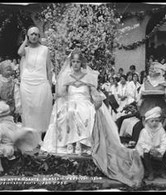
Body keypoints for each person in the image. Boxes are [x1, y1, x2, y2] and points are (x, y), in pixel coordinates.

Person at [41, 50, 144, 187]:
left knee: (84, 111)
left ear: (81, 63)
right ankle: (71, 142)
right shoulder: (66, 77)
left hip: (84, 102)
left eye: (78, 61)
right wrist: (62, 87)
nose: (76, 64)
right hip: (70, 102)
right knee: (69, 111)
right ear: (70, 63)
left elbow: (94, 93)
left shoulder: (88, 76)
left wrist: (97, 99)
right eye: (73, 62)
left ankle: (81, 143)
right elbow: (61, 94)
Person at [0, 101, 40, 177]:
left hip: (6, 148)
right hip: (12, 147)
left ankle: (0, 168)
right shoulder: (11, 123)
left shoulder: (0, 127)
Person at [17, 26, 53, 135]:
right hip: (27, 83)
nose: (34, 36)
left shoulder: (45, 50)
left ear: (39, 36)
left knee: (40, 108)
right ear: (28, 36)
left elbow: (49, 69)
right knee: (29, 110)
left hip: (41, 82)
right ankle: (30, 133)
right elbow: (19, 52)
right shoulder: (26, 50)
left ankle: (40, 134)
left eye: (36, 34)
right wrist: (25, 42)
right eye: (31, 34)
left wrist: (50, 85)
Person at [136, 107, 166, 181]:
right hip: (148, 150)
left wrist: (160, 150)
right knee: (145, 153)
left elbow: (165, 141)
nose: (154, 123)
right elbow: (141, 143)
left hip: (158, 150)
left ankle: (162, 170)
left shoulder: (161, 130)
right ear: (147, 121)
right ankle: (150, 172)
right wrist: (150, 149)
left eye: (156, 121)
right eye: (152, 121)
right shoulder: (144, 131)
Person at [138, 62, 166, 126]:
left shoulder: (163, 84)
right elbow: (139, 96)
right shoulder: (145, 83)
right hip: (147, 109)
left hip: (161, 111)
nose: (152, 71)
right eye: (151, 69)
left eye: (153, 69)